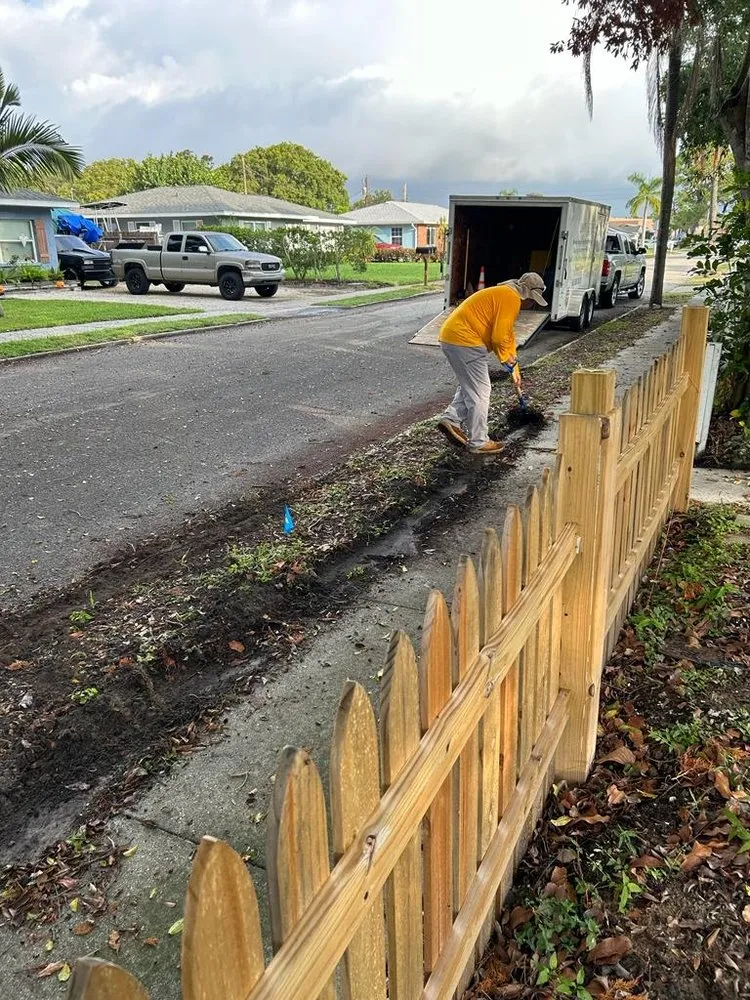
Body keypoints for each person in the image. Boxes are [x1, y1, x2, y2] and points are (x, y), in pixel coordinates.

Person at [437, 273, 548, 454]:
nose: (532, 305)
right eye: (533, 300)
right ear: (528, 294)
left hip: (453, 337)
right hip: (465, 341)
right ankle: (479, 442)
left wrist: (515, 369)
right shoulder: (511, 298)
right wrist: (505, 359)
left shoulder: (504, 293)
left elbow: (507, 336)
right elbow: (498, 337)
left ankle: (451, 419)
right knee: (481, 391)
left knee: (470, 386)